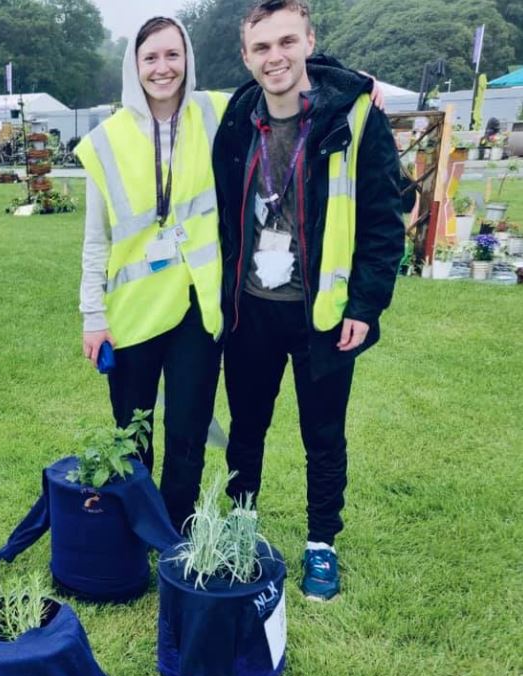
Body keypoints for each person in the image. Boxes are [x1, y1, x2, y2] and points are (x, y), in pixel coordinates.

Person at [212, 0, 405, 600]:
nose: (276, 58)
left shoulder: (354, 118)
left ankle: (322, 543)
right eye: (262, 47)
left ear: (309, 43)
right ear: (246, 57)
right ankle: (240, 528)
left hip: (320, 312)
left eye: (287, 43)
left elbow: (382, 219)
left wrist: (365, 306)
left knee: (323, 435)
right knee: (246, 428)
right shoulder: (237, 118)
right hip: (249, 307)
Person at [74, 17, 228, 533]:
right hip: (133, 313)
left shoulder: (216, 113)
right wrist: (93, 316)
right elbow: (96, 240)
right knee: (132, 432)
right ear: (133, 66)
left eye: (172, 55)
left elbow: (281, 80)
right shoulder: (106, 142)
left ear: (187, 58)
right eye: (150, 58)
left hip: (196, 306)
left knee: (187, 430)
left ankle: (175, 532)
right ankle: (136, 529)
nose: (162, 68)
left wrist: (358, 84)